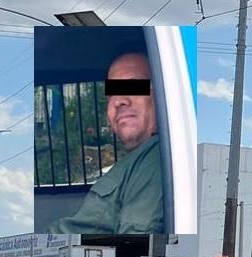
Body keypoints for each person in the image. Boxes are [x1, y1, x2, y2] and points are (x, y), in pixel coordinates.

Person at [47, 52, 164, 235]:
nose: (119, 101)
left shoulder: (156, 158)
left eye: (134, 86)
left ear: (163, 96)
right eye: (111, 94)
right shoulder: (135, 162)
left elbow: (136, 239)